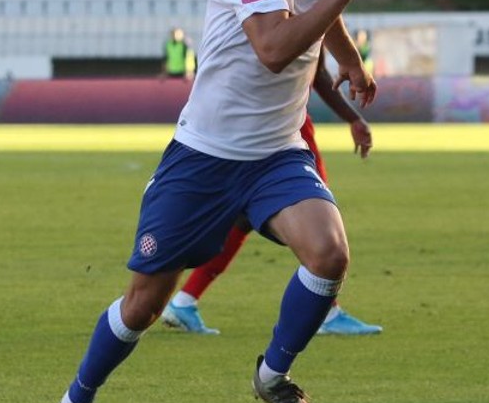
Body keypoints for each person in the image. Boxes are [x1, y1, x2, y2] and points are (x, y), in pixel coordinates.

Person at [38, 0, 375, 403]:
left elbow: (327, 18)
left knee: (329, 253)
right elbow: (274, 50)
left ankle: (272, 376)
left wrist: (351, 64)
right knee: (143, 305)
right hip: (204, 159)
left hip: (276, 156)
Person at [161, 59, 382, 336]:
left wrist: (353, 116)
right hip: (282, 124)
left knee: (244, 218)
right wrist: (353, 115)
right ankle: (327, 311)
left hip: (258, 119)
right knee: (316, 214)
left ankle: (185, 299)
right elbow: (316, 70)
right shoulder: (300, 15)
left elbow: (317, 70)